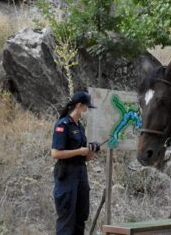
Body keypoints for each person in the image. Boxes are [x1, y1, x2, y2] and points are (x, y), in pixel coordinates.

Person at [51, 90, 100, 235]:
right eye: (86, 107)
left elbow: (86, 158)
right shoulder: (63, 124)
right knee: (67, 219)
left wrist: (91, 150)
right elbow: (55, 153)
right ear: (79, 106)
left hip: (81, 173)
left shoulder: (80, 127)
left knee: (81, 217)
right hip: (67, 175)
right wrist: (79, 151)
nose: (87, 110)